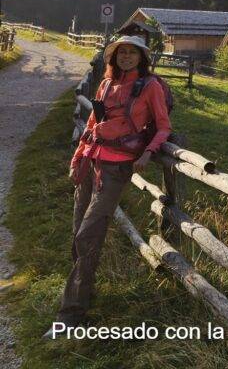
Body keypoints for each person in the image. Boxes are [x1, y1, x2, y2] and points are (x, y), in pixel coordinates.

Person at [45, 35, 172, 337]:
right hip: (91, 162)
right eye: (121, 53)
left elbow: (164, 126)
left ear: (142, 58)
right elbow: (91, 126)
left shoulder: (150, 87)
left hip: (116, 169)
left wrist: (148, 152)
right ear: (113, 57)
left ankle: (70, 315)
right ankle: (83, 292)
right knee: (79, 232)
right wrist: (78, 158)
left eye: (132, 53)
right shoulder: (105, 84)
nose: (126, 57)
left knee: (88, 234)